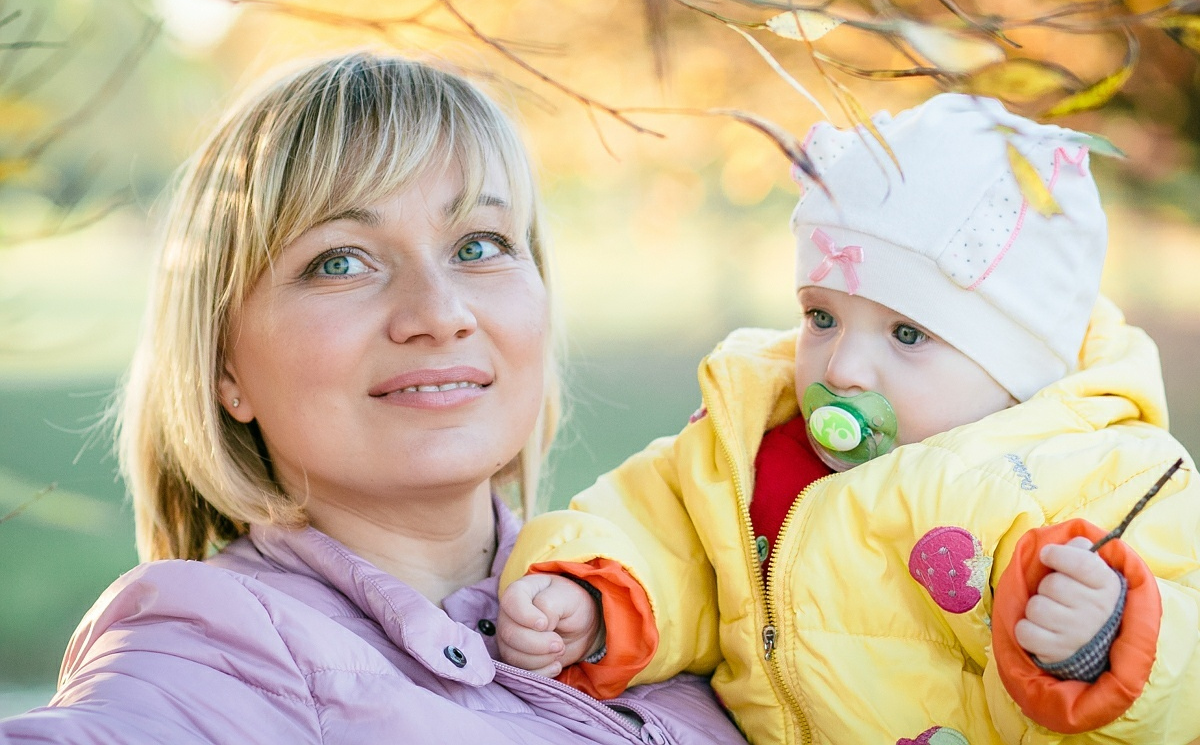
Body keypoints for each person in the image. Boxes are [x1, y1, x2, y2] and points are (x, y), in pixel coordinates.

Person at [0, 52, 747, 745]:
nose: (439, 311)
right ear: (226, 366)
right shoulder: (210, 647)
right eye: (340, 261)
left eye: (480, 245)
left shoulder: (662, 581)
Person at [496, 94, 1200, 744]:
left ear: (1019, 368)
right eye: (822, 318)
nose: (843, 370)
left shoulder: (1100, 473)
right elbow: (662, 540)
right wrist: (595, 600)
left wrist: (1112, 635)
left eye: (907, 334)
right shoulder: (749, 451)